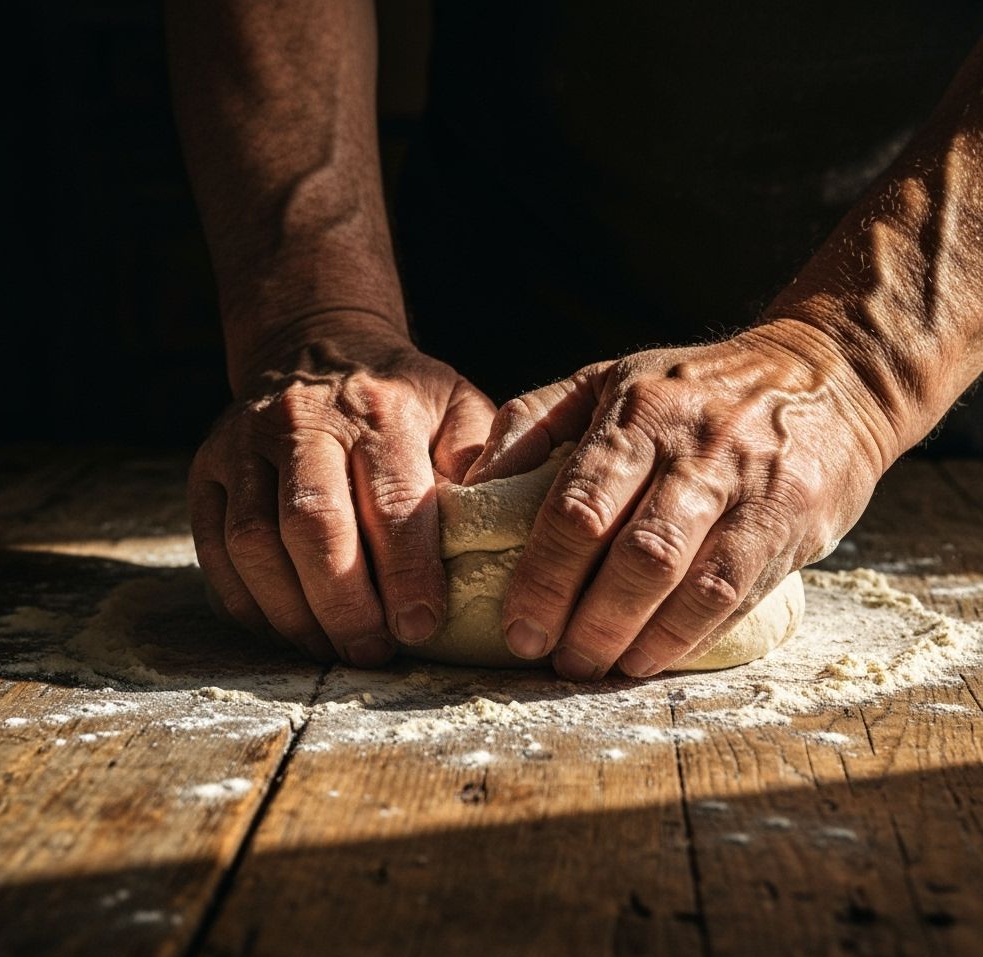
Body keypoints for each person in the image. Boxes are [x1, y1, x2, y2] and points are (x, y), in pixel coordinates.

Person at [166, 0, 983, 682]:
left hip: (937, 318)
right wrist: (318, 318)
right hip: (476, 315)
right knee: (370, 510)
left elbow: (864, 365)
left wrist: (852, 364)